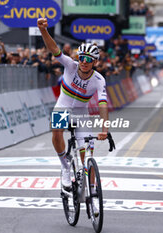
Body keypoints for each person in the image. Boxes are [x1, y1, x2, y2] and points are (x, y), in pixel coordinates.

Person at [37, 18, 109, 191]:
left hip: (80, 112)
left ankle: (92, 191)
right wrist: (43, 30)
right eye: (82, 58)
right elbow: (54, 49)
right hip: (63, 106)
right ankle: (65, 167)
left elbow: (103, 105)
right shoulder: (70, 65)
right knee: (56, 130)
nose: (84, 61)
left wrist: (104, 129)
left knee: (88, 155)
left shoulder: (99, 79)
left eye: (89, 59)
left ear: (95, 62)